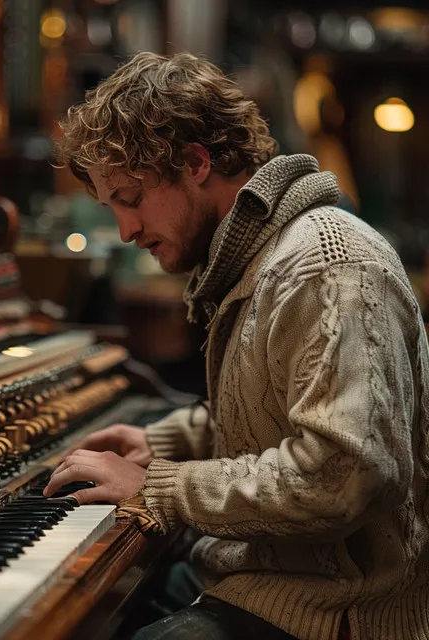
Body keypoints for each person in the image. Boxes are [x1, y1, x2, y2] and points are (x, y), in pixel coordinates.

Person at [46, 52, 429, 640]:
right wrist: (164, 441)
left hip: (337, 612)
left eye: (131, 198)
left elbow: (346, 474)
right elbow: (281, 406)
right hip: (261, 576)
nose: (125, 230)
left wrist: (158, 489)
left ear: (196, 162)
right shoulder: (260, 257)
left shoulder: (326, 265)